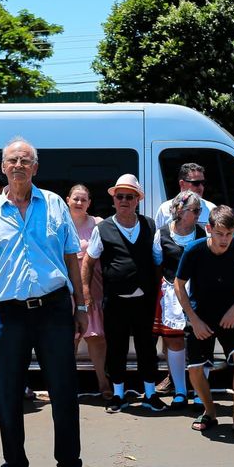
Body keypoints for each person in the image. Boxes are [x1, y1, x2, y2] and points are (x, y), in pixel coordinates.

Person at [0, 138, 88, 467]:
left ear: (35, 168)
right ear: (3, 167)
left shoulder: (54, 204)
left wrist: (80, 306)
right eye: (12, 160)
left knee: (64, 390)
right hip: (10, 313)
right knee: (7, 393)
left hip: (53, 308)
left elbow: (71, 257)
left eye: (25, 160)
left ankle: (69, 464)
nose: (18, 165)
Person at [175, 206, 234, 440]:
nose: (224, 239)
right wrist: (193, 320)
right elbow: (179, 283)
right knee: (195, 370)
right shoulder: (194, 250)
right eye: (219, 233)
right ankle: (210, 412)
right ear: (209, 229)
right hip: (200, 316)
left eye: (229, 234)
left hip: (230, 315)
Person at [82, 174, 165, 414]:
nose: (124, 201)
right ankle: (118, 394)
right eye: (120, 196)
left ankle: (150, 393)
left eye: (130, 196)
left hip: (144, 300)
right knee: (116, 347)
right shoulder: (104, 228)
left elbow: (158, 261)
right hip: (115, 301)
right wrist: (86, 293)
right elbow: (88, 262)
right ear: (114, 200)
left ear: (138, 199)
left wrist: (154, 288)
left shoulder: (150, 225)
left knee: (146, 347)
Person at [153, 190, 206, 410]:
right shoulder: (162, 234)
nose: (197, 214)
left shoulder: (203, 234)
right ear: (179, 211)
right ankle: (180, 391)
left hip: (197, 294)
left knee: (200, 340)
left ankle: (201, 392)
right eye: (194, 210)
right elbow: (157, 261)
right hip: (172, 293)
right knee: (174, 342)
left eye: (198, 210)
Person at [67, 184, 110, 398]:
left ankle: (103, 382)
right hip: (67, 288)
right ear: (68, 200)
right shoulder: (59, 225)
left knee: (96, 337)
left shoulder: (98, 224)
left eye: (83, 199)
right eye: (76, 198)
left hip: (94, 285)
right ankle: (66, 385)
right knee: (70, 337)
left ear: (89, 203)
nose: (79, 203)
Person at [154, 163, 216, 228]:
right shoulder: (164, 209)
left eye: (203, 183)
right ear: (182, 183)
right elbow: (159, 235)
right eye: (196, 183)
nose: (201, 187)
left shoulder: (211, 209)